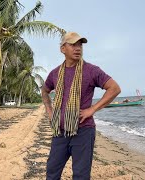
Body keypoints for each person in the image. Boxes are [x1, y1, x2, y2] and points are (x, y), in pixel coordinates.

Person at [41, 32, 121, 180]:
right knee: (52, 172)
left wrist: (92, 109)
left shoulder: (91, 70)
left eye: (80, 45)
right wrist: (49, 110)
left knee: (81, 175)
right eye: (73, 44)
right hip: (60, 131)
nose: (78, 48)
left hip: (84, 131)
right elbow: (45, 90)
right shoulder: (55, 73)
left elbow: (114, 88)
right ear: (63, 49)